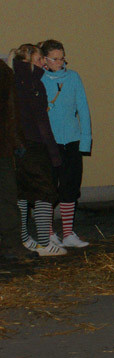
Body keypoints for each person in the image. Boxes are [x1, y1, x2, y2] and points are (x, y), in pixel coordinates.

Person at [10, 44, 65, 256]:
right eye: (40, 57)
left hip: (18, 146)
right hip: (34, 145)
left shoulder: (13, 80)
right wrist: (53, 152)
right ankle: (43, 243)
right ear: (32, 58)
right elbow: (41, 122)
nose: (44, 61)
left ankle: (25, 239)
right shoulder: (33, 84)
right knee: (44, 192)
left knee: (22, 193)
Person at [39, 39, 92, 248]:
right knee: (49, 188)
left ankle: (68, 233)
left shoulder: (73, 77)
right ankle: (50, 233)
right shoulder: (40, 78)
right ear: (44, 59)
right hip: (48, 142)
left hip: (71, 141)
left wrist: (85, 141)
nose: (60, 62)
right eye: (55, 59)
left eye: (62, 58)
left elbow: (83, 110)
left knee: (70, 187)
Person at [0, 58, 36, 262]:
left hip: (2, 147)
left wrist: (16, 141)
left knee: (7, 196)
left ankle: (11, 243)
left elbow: (11, 111)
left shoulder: (3, 72)